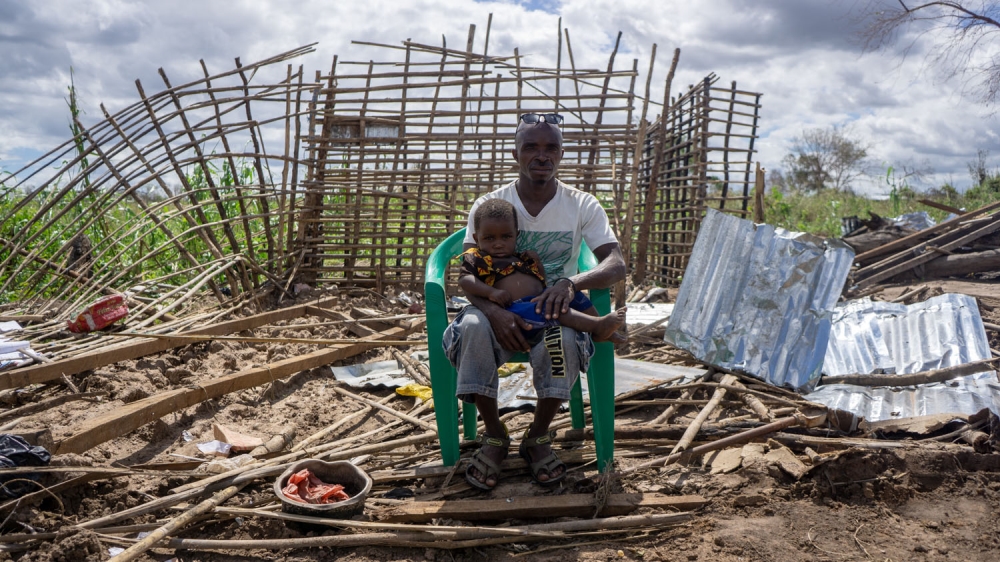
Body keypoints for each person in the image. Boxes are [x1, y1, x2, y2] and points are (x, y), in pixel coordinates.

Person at [443, 112, 627, 491]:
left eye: (551, 147)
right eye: (531, 146)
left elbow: (615, 262)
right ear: (516, 153)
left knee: (561, 336)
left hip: (553, 313)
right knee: (474, 327)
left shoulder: (582, 204)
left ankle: (538, 436)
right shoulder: (491, 204)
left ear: (561, 154)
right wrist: (493, 310)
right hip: (492, 310)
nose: (541, 155)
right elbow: (468, 272)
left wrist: (568, 282)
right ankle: (494, 435)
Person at [457, 198, 626, 344]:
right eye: (489, 238)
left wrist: (537, 265)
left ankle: (599, 328)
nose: (498, 243)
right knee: (554, 310)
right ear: (476, 238)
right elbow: (465, 279)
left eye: (506, 237)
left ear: (516, 235)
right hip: (516, 309)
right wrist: (491, 292)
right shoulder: (479, 258)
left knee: (575, 297)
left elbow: (540, 281)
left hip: (538, 298)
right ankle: (597, 326)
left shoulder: (521, 258)